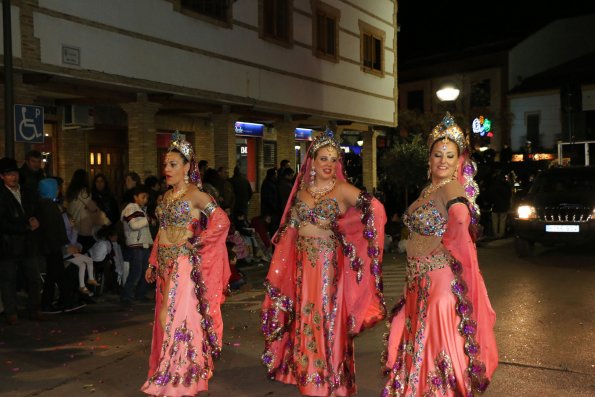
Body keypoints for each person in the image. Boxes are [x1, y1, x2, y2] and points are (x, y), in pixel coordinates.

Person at [261, 130, 387, 396]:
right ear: (312, 163)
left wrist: (349, 231)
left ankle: (330, 378)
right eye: (323, 159)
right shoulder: (302, 192)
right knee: (305, 316)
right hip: (301, 266)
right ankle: (309, 374)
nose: (329, 164)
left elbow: (374, 208)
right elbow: (290, 232)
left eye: (333, 159)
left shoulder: (341, 189)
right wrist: (280, 268)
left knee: (326, 317)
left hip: (328, 266)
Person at [382, 113, 498, 396]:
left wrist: (456, 228)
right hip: (419, 282)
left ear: (460, 161)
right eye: (437, 154)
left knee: (435, 347)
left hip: (439, 282)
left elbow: (459, 215)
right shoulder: (428, 189)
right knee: (421, 342)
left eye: (450, 155)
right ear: (429, 158)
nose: (443, 160)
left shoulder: (450, 187)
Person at [141, 132, 231, 396]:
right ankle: (178, 371)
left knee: (169, 315)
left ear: (188, 166)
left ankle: (180, 375)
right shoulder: (166, 197)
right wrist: (153, 262)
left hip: (182, 262)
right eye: (166, 165)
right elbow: (161, 232)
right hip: (166, 262)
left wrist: (199, 243)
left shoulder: (196, 195)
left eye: (173, 164)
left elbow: (222, 221)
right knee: (168, 318)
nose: (167, 169)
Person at [0, 157, 43, 325]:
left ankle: (35, 309)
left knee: (33, 277)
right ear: (2, 176)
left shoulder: (26, 192)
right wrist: (26, 226)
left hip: (27, 243)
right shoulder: (2, 195)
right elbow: (3, 223)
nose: (13, 177)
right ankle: (11, 312)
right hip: (8, 245)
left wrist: (34, 219)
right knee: (8, 280)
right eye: (9, 174)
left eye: (14, 173)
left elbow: (35, 210)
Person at [120, 185, 152, 304]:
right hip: (136, 245)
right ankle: (127, 296)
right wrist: (147, 220)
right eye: (143, 197)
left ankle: (140, 294)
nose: (145, 200)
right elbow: (133, 225)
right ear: (135, 197)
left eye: (146, 198)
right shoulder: (131, 208)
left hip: (142, 244)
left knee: (144, 271)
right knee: (136, 271)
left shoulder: (140, 209)